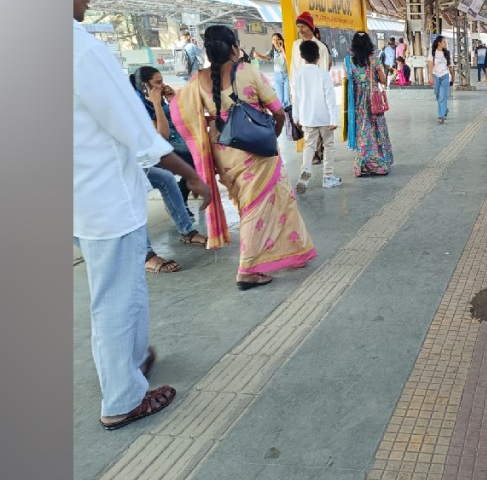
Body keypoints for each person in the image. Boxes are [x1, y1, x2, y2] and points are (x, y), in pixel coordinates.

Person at [74, 0, 213, 430]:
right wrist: (190, 174)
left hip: (76, 198)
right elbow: (137, 132)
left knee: (111, 291)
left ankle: (128, 360)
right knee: (116, 297)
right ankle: (123, 398)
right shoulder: (82, 51)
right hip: (105, 198)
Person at [170, 25, 318, 290]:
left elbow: (181, 114)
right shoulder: (247, 71)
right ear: (233, 46)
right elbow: (279, 112)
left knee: (266, 201)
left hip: (224, 155)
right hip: (256, 151)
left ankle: (292, 250)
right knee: (256, 209)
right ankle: (247, 270)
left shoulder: (196, 81)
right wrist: (270, 139)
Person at [129, 68, 209, 248]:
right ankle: (147, 253)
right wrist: (158, 104)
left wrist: (172, 100)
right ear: (144, 86)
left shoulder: (154, 99)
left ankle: (187, 231)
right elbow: (161, 136)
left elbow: (181, 120)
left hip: (165, 147)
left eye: (162, 81)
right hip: (137, 161)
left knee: (168, 177)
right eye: (158, 83)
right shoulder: (139, 106)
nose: (162, 85)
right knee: (187, 161)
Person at [340, 32, 393, 176]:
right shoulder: (374, 61)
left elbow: (346, 81)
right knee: (376, 131)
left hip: (357, 102)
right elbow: (383, 81)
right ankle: (379, 164)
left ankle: (362, 164)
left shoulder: (349, 62)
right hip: (373, 100)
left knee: (362, 133)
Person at [292, 40, 343, 193]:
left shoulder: (298, 74)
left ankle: (305, 172)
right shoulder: (323, 75)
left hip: (307, 117)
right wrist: (334, 119)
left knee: (309, 146)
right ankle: (328, 177)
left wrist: (296, 117)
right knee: (328, 146)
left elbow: (296, 97)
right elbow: (330, 98)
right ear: (318, 56)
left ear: (302, 56)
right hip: (324, 117)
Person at [252, 32, 290, 107]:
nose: (276, 41)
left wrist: (282, 48)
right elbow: (265, 57)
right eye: (274, 39)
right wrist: (258, 55)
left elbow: (287, 59)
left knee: (287, 99)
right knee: (280, 99)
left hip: (286, 75)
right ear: (272, 41)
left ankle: (289, 114)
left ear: (281, 40)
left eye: (277, 39)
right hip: (277, 76)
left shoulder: (285, 49)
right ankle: (286, 118)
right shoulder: (272, 51)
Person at [427, 35, 454, 124]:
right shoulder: (432, 52)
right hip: (435, 76)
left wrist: (453, 76)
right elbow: (430, 65)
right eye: (444, 42)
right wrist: (430, 76)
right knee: (438, 95)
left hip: (445, 76)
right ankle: (445, 110)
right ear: (439, 43)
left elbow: (450, 66)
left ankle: (441, 116)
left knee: (442, 97)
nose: (446, 43)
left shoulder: (447, 53)